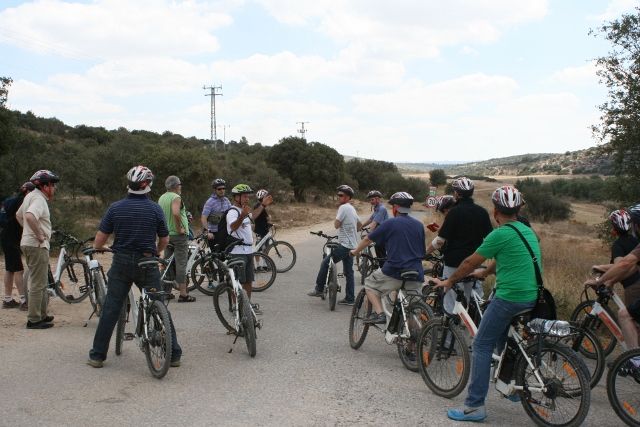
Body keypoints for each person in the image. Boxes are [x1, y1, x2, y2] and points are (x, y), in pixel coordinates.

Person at [431, 185, 538, 422]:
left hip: (509, 297)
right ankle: (510, 384)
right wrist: (486, 272)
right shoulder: (526, 230)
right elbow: (506, 257)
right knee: (503, 338)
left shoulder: (499, 234)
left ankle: (474, 406)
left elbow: (469, 262)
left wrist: (450, 280)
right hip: (532, 295)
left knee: (480, 345)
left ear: (495, 211)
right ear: (519, 209)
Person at [88, 165, 182, 368]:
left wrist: (102, 248)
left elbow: (98, 241)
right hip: (147, 263)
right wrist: (156, 251)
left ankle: (97, 355)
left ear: (129, 185)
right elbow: (164, 239)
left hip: (121, 263)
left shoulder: (115, 208)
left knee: (111, 307)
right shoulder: (155, 209)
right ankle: (174, 354)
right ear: (148, 185)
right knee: (158, 304)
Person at [350, 192, 425, 324]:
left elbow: (368, 239)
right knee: (414, 311)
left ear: (396, 207)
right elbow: (422, 251)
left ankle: (380, 314)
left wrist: (355, 251)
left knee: (369, 284)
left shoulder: (390, 223)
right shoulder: (419, 225)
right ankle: (414, 334)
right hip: (416, 272)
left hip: (394, 271)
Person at [426, 177, 493, 315]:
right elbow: (490, 238)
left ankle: (451, 328)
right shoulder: (482, 212)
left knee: (451, 302)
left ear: (456, 193)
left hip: (454, 263)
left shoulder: (454, 212)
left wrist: (425, 252)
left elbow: (440, 241)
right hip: (476, 261)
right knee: (476, 298)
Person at [585, 207, 640, 348]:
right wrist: (611, 280)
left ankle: (634, 358)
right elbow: (631, 266)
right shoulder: (635, 241)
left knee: (629, 319)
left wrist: (600, 276)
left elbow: (622, 265)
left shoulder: (618, 245)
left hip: (633, 287)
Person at [16, 170, 59, 329]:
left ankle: (42, 314)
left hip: (29, 243)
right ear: (45, 186)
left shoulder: (30, 196)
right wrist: (39, 235)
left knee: (41, 281)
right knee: (38, 283)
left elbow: (18, 215)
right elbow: (29, 216)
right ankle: (34, 320)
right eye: (52, 185)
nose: (54, 188)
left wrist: (28, 231)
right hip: (37, 245)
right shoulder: (39, 199)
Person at [308, 185, 361, 305]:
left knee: (325, 263)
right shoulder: (352, 208)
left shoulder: (343, 207)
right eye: (338, 195)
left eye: (341, 195)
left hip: (345, 245)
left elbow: (336, 225)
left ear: (347, 197)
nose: (339, 197)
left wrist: (340, 223)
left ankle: (319, 289)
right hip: (352, 245)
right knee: (349, 272)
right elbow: (360, 225)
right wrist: (351, 231)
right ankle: (350, 298)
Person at [158, 175, 195, 302]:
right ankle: (183, 294)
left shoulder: (162, 197)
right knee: (181, 263)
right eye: (180, 185)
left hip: (166, 234)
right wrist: (179, 228)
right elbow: (175, 212)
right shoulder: (176, 197)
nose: (181, 187)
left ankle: (165, 291)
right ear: (176, 186)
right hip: (178, 236)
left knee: (166, 262)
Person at [226, 183, 262, 313]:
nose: (247, 199)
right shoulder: (232, 212)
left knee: (248, 280)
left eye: (248, 196)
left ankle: (247, 305)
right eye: (245, 196)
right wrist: (242, 216)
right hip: (237, 252)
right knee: (237, 281)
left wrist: (263, 205)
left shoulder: (244, 210)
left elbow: (254, 216)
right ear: (237, 197)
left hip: (248, 251)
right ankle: (236, 306)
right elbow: (233, 227)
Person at [1, 182, 35, 310]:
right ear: (28, 192)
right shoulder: (23, 202)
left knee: (10, 269)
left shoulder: (11, 200)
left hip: (5, 237)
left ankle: (8, 300)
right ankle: (23, 301)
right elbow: (26, 218)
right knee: (18, 270)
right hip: (12, 239)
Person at [201, 178, 232, 251]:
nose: (222, 190)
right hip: (214, 233)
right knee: (216, 255)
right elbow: (203, 218)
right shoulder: (210, 202)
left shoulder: (226, 200)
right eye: (219, 189)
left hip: (225, 232)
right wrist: (207, 232)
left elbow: (231, 214)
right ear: (215, 190)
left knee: (226, 254)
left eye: (223, 188)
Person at [361, 190, 388, 263]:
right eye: (370, 200)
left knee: (381, 253)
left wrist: (369, 233)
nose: (371, 201)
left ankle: (384, 268)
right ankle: (377, 263)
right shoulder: (376, 209)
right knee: (377, 249)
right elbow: (370, 219)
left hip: (383, 235)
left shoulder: (382, 209)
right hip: (378, 233)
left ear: (378, 199)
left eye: (372, 199)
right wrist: (360, 227)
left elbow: (374, 223)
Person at [253, 189, 274, 271]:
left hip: (264, 229)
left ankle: (264, 265)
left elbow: (264, 218)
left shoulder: (261, 206)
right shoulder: (259, 206)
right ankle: (258, 266)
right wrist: (269, 218)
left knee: (265, 248)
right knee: (258, 248)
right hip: (260, 230)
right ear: (263, 197)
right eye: (266, 196)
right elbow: (267, 218)